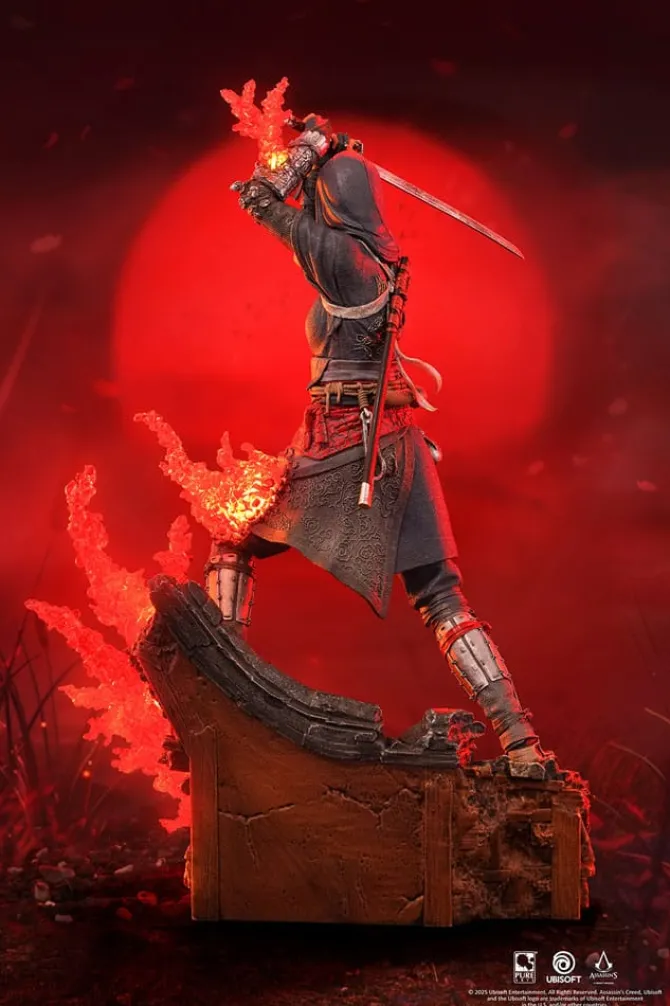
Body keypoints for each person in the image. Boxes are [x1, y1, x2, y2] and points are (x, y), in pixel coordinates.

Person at [232, 116, 555, 778]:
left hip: (343, 443)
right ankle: (521, 739)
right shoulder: (371, 259)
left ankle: (224, 681)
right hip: (392, 439)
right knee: (442, 596)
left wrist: (308, 150)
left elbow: (258, 199)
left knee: (231, 542)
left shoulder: (345, 264)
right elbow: (292, 219)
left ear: (333, 200)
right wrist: (325, 158)